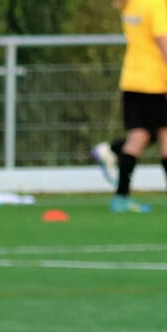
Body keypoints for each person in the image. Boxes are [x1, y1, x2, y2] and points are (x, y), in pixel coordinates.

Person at [89, 0, 167, 212]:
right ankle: (120, 194)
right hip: (156, 82)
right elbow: (164, 43)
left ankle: (121, 197)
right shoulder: (155, 6)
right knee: (162, 137)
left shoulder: (131, 4)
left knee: (138, 136)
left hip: (132, 80)